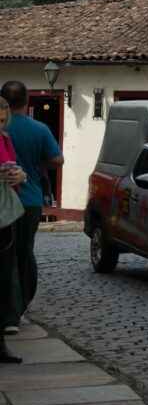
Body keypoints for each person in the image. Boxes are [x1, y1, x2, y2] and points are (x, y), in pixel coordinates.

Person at [1, 82, 62, 336]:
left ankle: (10, 311)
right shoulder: (39, 128)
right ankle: (19, 306)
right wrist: (38, 166)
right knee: (25, 253)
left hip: (8, 203)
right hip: (30, 201)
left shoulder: (6, 131)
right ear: (26, 101)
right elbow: (58, 159)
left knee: (8, 256)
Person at [0, 97, 27, 362]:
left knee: (5, 280)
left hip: (6, 215)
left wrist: (19, 175)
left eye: (2, 120)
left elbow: (19, 170)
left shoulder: (6, 139)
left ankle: (0, 344)